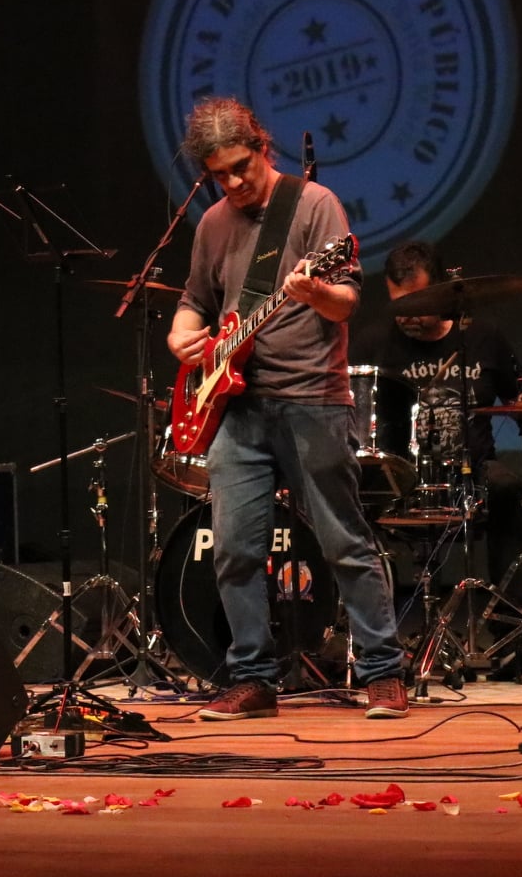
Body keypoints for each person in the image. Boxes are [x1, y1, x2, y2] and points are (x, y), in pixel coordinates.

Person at [166, 97, 408, 721]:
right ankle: (252, 678)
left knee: (342, 541)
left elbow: (346, 302)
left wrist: (314, 290)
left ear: (261, 147)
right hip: (236, 406)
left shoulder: (314, 204)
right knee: (234, 550)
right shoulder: (213, 223)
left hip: (311, 399)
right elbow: (195, 300)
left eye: (241, 167)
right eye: (219, 175)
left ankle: (382, 671)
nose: (233, 183)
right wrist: (181, 335)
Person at [366, 240, 522, 589]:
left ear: (440, 290)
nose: (407, 314)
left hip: (472, 472)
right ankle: (375, 616)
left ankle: (510, 611)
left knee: (506, 488)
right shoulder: (375, 344)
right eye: (400, 304)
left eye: (417, 302)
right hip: (401, 476)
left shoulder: (482, 338)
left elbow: (518, 397)